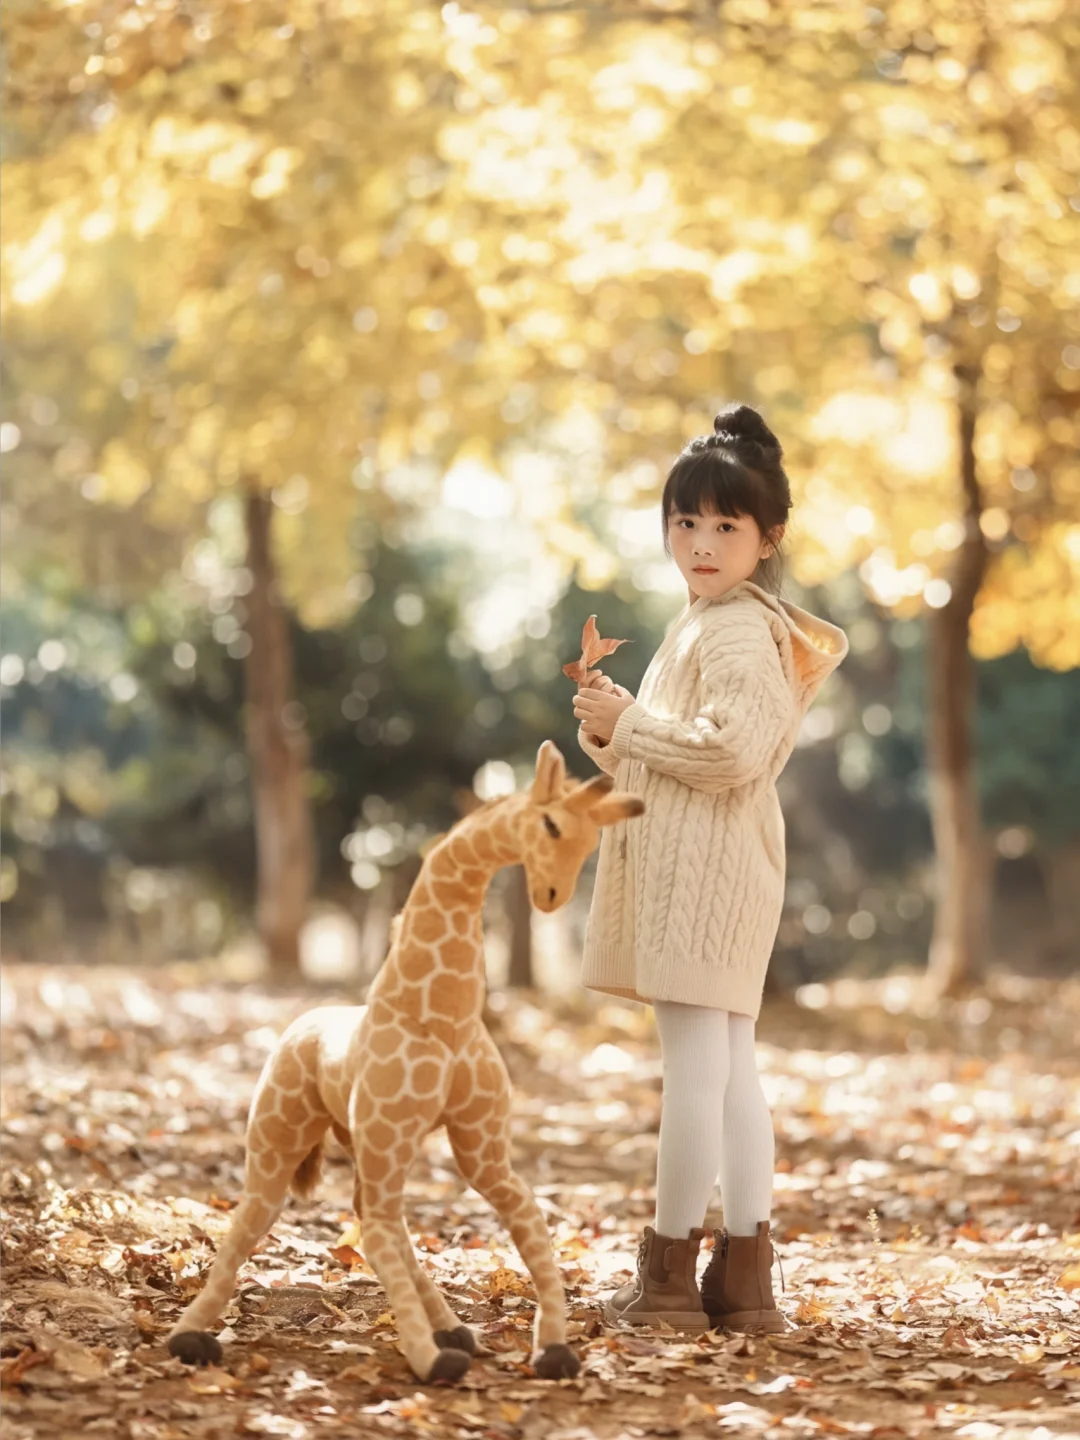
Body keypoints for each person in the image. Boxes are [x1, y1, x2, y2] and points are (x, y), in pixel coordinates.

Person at [572, 403, 848, 1334]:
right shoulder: (703, 621)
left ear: (766, 540)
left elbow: (731, 754)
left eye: (725, 526)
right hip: (716, 861)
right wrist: (614, 731)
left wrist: (634, 727)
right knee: (729, 1069)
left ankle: (664, 1277)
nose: (700, 541)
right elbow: (683, 757)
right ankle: (744, 1282)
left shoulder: (731, 626)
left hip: (708, 873)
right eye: (684, 522)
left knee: (697, 1066)